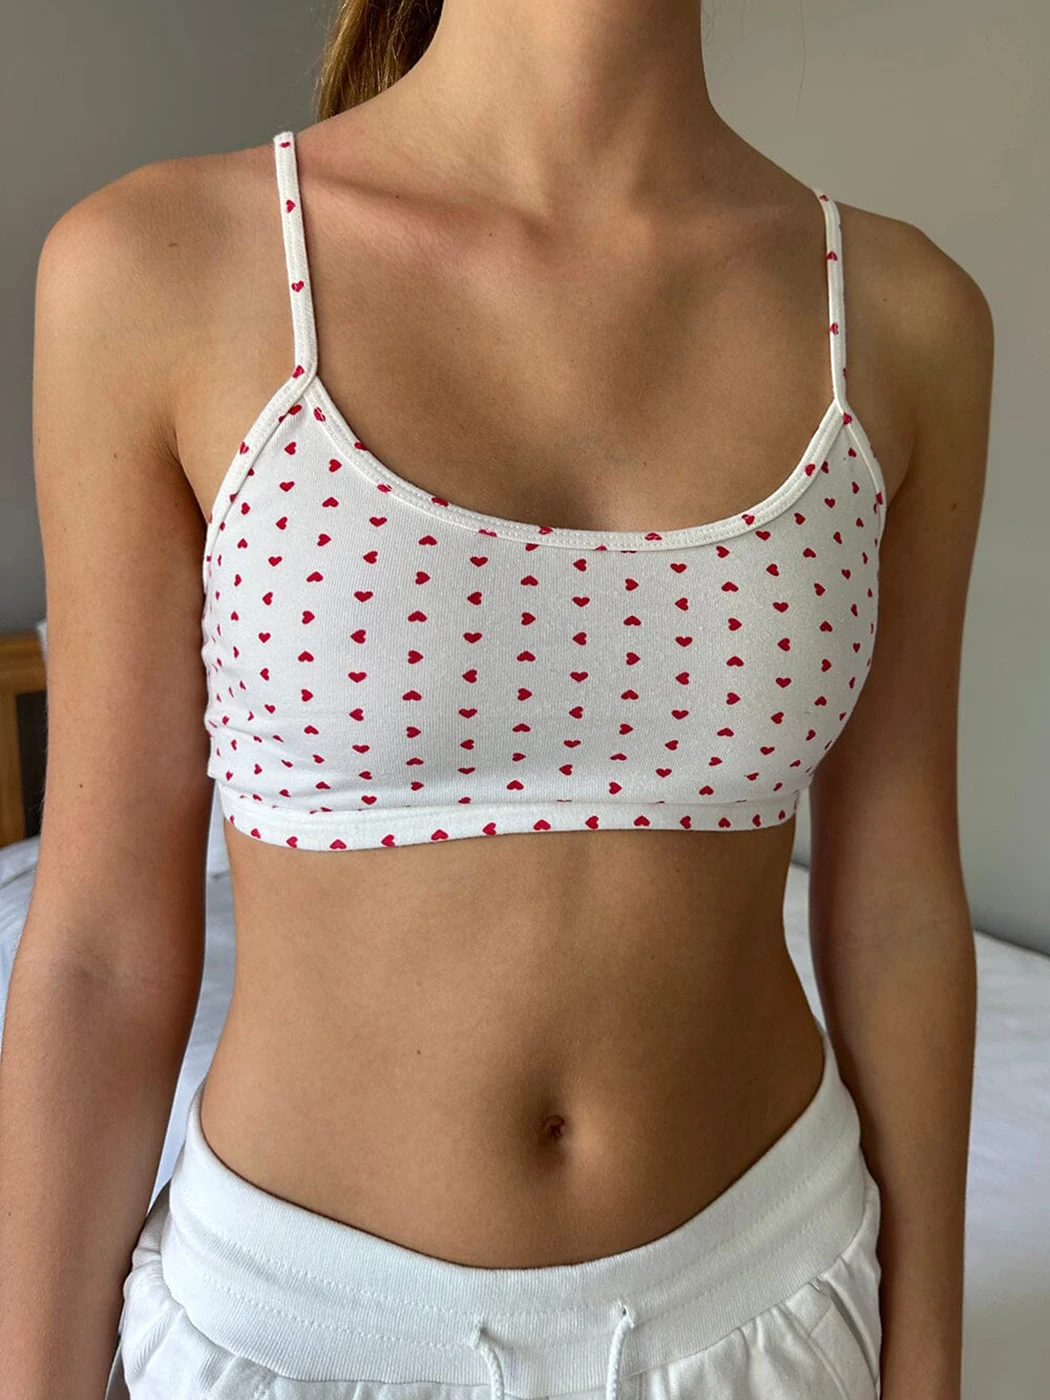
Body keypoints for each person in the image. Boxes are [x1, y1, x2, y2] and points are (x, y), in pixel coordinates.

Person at [1, 1, 991, 1397]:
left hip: (766, 1298)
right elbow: (99, 950)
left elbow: (898, 910)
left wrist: (925, 1361)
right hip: (296, 1334)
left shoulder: (904, 315)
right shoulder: (156, 267)